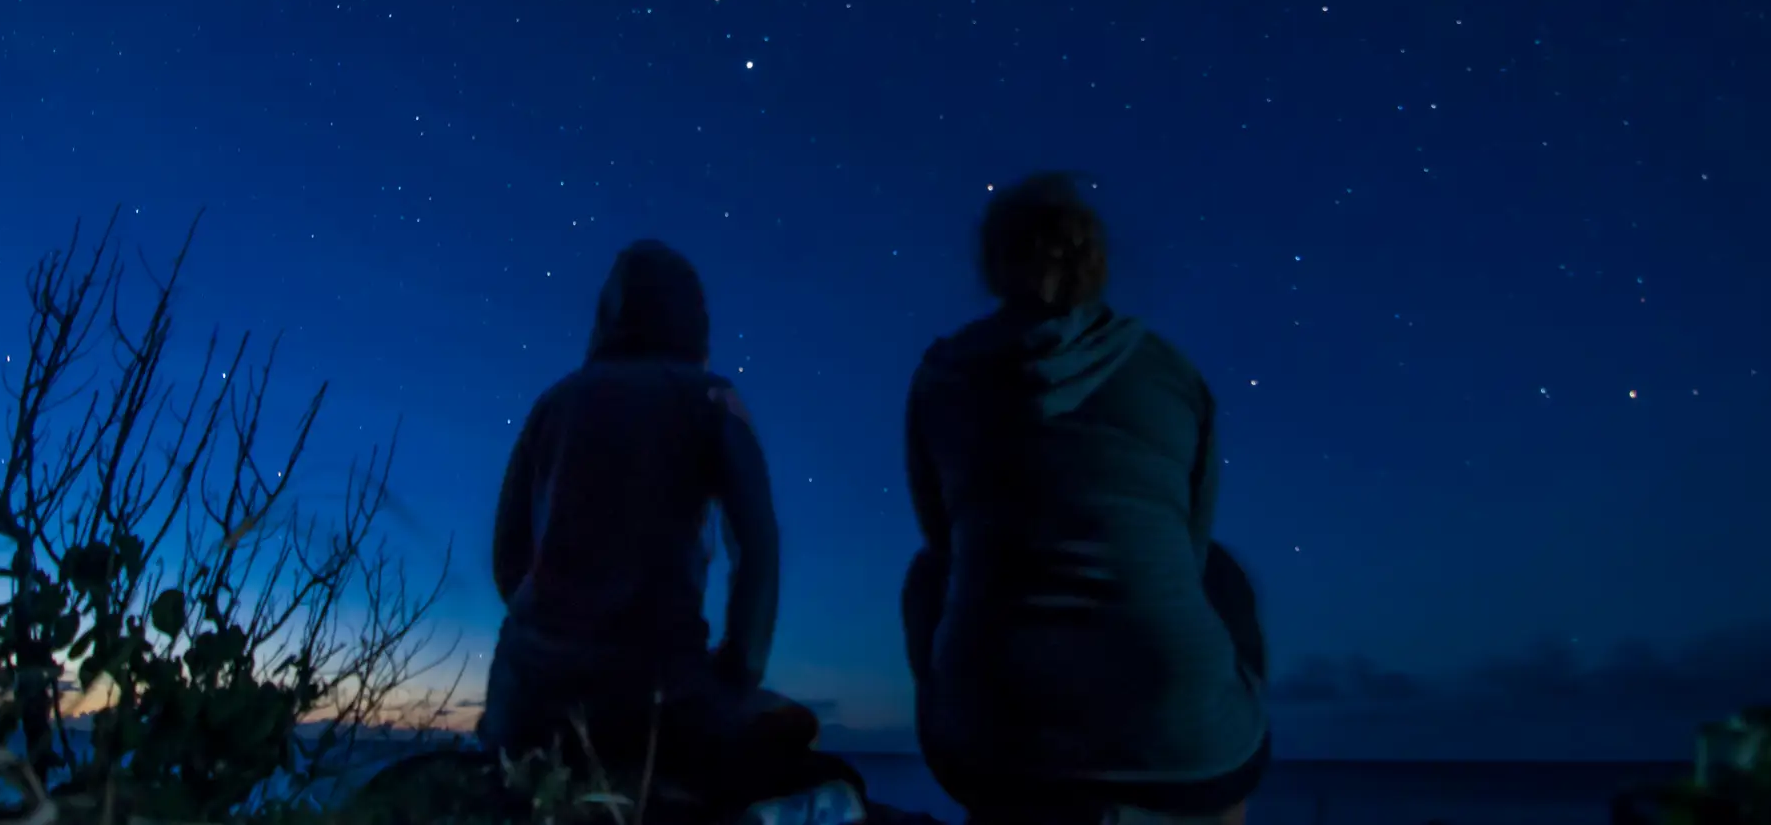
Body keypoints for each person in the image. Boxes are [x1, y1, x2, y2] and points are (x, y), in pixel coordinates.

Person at [902, 174, 1271, 825]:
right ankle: (1214, 804)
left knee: (928, 575)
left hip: (996, 733)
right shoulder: (1174, 372)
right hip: (1178, 732)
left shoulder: (941, 376)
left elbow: (940, 541)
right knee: (1219, 571)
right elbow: (1189, 546)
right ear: (1095, 261)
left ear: (992, 263)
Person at [479, 239, 836, 810]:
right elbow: (757, 548)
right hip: (655, 693)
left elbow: (507, 557)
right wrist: (738, 669)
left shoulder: (553, 403)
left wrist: (554, 633)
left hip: (526, 696)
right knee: (801, 753)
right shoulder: (713, 398)